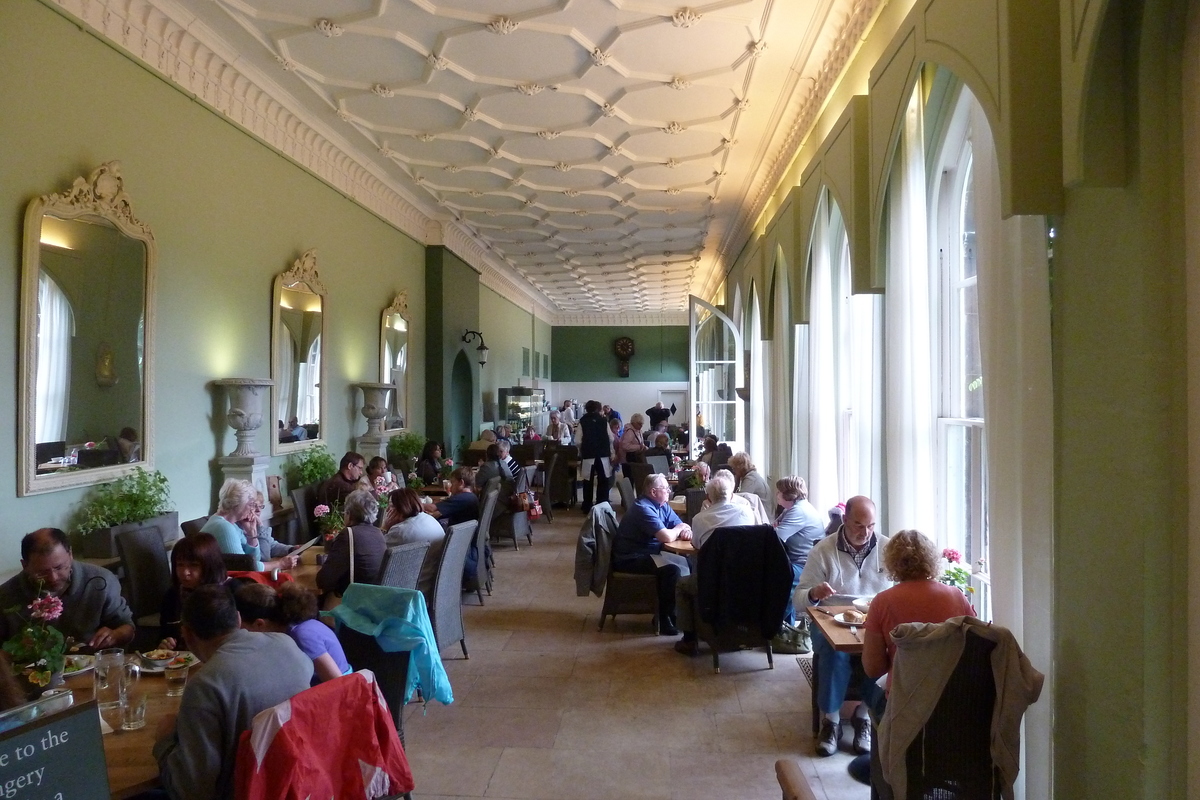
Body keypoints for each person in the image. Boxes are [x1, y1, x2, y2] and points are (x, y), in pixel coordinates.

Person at [153, 584, 313, 800]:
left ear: (187, 634)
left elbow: (192, 791)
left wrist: (164, 741)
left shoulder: (205, 685)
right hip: (300, 784)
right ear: (238, 619)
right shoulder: (288, 645)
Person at [797, 495, 892, 757]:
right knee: (834, 650)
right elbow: (798, 599)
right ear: (845, 520)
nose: (866, 532)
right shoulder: (824, 550)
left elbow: (899, 588)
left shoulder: (887, 549)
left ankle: (863, 715)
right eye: (858, 526)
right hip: (830, 617)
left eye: (871, 526)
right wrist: (814, 593)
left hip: (872, 619)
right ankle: (832, 721)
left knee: (884, 649)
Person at [862, 530, 976, 692]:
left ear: (892, 562)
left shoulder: (882, 602)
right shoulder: (956, 596)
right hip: (952, 697)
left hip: (904, 701)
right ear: (932, 559)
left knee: (869, 692)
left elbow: (873, 669)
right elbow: (972, 650)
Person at [0, 528, 134, 649]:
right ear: (25, 565)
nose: (53, 578)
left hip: (91, 664)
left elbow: (127, 627)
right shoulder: (6, 595)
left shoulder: (100, 580)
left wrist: (115, 635)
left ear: (70, 555)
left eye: (59, 567)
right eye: (42, 572)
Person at [672, 472, 754, 656]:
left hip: (712, 582)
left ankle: (689, 639)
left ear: (708, 497)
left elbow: (696, 546)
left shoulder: (700, 519)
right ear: (731, 494)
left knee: (683, 584)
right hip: (746, 580)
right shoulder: (746, 512)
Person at [611, 474, 693, 636]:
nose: (669, 491)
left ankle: (677, 612)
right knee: (672, 571)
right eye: (666, 488)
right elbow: (667, 537)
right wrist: (678, 530)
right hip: (630, 558)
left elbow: (679, 524)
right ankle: (663, 618)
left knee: (688, 563)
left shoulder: (662, 505)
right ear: (654, 492)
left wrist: (685, 529)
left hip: (649, 553)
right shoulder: (643, 509)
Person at [235, 582, 351, 685]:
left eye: (242, 628)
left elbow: (338, 684)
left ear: (259, 624)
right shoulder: (287, 631)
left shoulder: (302, 634)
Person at [202, 479, 296, 572]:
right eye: (251, 504)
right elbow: (244, 566)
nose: (253, 509)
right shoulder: (223, 527)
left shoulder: (232, 524)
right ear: (238, 504)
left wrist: (252, 534)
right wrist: (280, 564)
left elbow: (254, 560)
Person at [159, 533, 227, 650]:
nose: (185, 572)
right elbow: (165, 633)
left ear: (210, 566)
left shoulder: (229, 593)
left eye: (193, 565)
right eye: (180, 565)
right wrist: (165, 643)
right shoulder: (173, 595)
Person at [316, 489, 386, 597]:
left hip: (354, 602)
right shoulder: (378, 533)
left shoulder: (348, 534)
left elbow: (324, 580)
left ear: (350, 514)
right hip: (375, 599)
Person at [774, 477, 824, 625]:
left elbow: (775, 537)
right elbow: (773, 528)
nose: (777, 494)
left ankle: (775, 625)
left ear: (788, 495)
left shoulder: (799, 511)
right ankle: (784, 628)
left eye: (779, 491)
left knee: (774, 579)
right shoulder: (794, 508)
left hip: (804, 565)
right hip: (797, 561)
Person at [383, 488, 446, 602]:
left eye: (391, 506)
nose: (387, 510)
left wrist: (385, 528)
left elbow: (381, 558)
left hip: (413, 588)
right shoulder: (429, 518)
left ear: (400, 508)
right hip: (434, 583)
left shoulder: (400, 531)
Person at [576, 400, 614, 512]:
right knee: (603, 480)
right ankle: (602, 504)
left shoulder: (583, 421)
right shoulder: (603, 421)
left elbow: (578, 440)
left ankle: (587, 505)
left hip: (588, 455)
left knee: (588, 481)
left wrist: (582, 449)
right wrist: (612, 453)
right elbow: (610, 438)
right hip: (603, 455)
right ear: (599, 409)